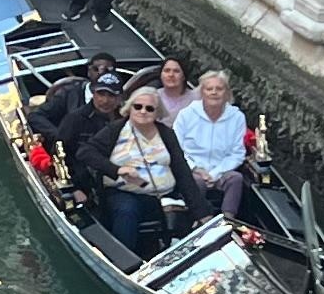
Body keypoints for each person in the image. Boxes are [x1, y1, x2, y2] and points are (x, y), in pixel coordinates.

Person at [106, 88, 196, 255]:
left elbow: (182, 170)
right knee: (126, 211)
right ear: (129, 108)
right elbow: (87, 152)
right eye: (138, 106)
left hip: (161, 194)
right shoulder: (115, 130)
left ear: (157, 113)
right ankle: (123, 258)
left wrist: (202, 212)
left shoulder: (166, 133)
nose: (143, 111)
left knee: (182, 211)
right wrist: (117, 169)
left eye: (149, 108)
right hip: (124, 192)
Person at [170, 69, 254, 223]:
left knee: (236, 179)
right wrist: (196, 169)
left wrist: (215, 173)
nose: (214, 93)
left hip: (222, 171)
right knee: (195, 182)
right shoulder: (186, 114)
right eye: (209, 89)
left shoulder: (237, 117)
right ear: (202, 92)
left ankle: (228, 221)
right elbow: (176, 148)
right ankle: (197, 221)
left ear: (226, 93)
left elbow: (237, 153)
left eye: (219, 89)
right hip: (193, 170)